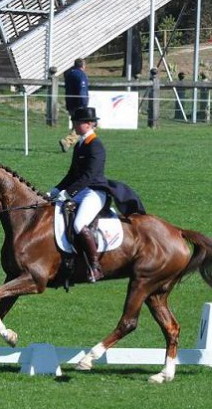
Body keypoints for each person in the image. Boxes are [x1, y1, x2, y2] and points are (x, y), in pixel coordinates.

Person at [48, 106, 145, 283]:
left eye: (77, 123)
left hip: (94, 193)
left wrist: (68, 193)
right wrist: (56, 190)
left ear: (89, 124)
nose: (74, 126)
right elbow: (73, 174)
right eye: (74, 122)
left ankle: (95, 267)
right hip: (81, 190)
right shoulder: (80, 144)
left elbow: (89, 176)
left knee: (78, 224)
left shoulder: (96, 145)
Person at [59, 58, 89, 152]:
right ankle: (67, 141)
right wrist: (84, 104)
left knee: (76, 125)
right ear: (82, 65)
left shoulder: (69, 74)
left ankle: (71, 143)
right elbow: (82, 90)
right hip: (79, 104)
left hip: (70, 103)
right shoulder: (81, 75)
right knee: (84, 125)